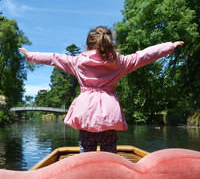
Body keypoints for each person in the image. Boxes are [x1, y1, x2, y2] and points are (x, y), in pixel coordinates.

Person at [20, 26, 184, 153]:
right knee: (109, 150)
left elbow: (53, 58)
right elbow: (144, 55)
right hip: (109, 115)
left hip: (86, 114)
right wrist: (169, 46)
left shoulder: (77, 62)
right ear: (109, 43)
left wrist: (31, 55)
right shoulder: (120, 62)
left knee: (86, 149)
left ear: (87, 45)